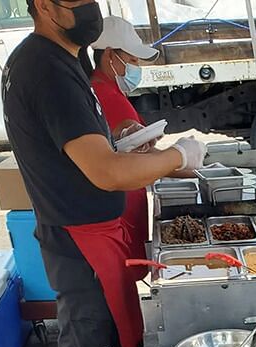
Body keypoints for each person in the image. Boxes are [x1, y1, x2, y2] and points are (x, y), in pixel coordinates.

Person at [2, 0, 205, 347]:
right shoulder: (48, 71)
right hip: (82, 244)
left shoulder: (58, 59)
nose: (90, 8)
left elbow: (72, 146)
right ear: (45, 6)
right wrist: (179, 155)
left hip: (83, 236)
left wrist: (115, 138)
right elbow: (106, 173)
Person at [89, 16, 159, 260]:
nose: (136, 67)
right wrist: (182, 160)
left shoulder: (108, 89)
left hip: (128, 196)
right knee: (126, 271)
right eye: (131, 60)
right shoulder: (104, 94)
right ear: (110, 56)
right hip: (122, 204)